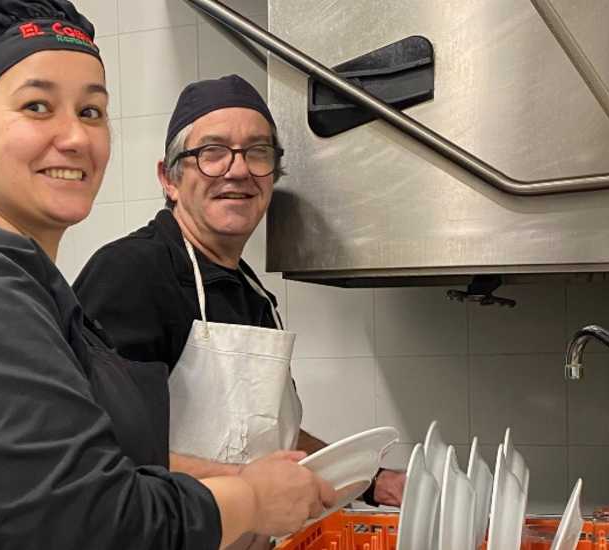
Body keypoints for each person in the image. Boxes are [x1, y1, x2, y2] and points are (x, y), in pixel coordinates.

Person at [0, 3, 335, 550]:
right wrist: (251, 501)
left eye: (92, 111)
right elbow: (90, 526)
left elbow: (102, 471)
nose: (75, 137)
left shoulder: (30, 284)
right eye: (37, 106)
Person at [73, 75, 406, 516]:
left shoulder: (254, 295)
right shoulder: (133, 272)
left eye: (257, 152)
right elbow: (103, 453)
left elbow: (269, 442)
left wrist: (371, 481)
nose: (238, 169)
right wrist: (246, 488)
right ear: (169, 179)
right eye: (211, 153)